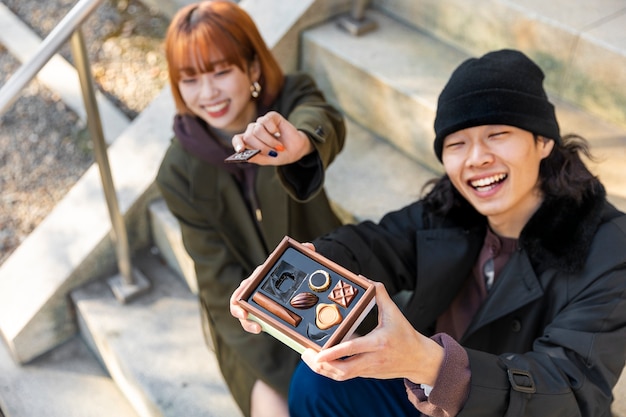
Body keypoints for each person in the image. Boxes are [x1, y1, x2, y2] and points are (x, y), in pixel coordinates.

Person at [231, 49, 626, 416]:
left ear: (543, 142)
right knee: (319, 383)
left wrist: (434, 365)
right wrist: (298, 270)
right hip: (424, 392)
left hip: (505, 407)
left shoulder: (607, 247)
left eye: (498, 135)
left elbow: (575, 389)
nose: (476, 158)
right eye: (457, 143)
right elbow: (376, 244)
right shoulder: (453, 209)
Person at [155, 2, 346, 416]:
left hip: (327, 282)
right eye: (190, 79)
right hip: (248, 322)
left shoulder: (291, 99)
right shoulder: (178, 171)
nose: (208, 94)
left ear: (253, 68)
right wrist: (296, 374)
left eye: (221, 72)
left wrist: (297, 143)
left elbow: (322, 120)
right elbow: (218, 280)